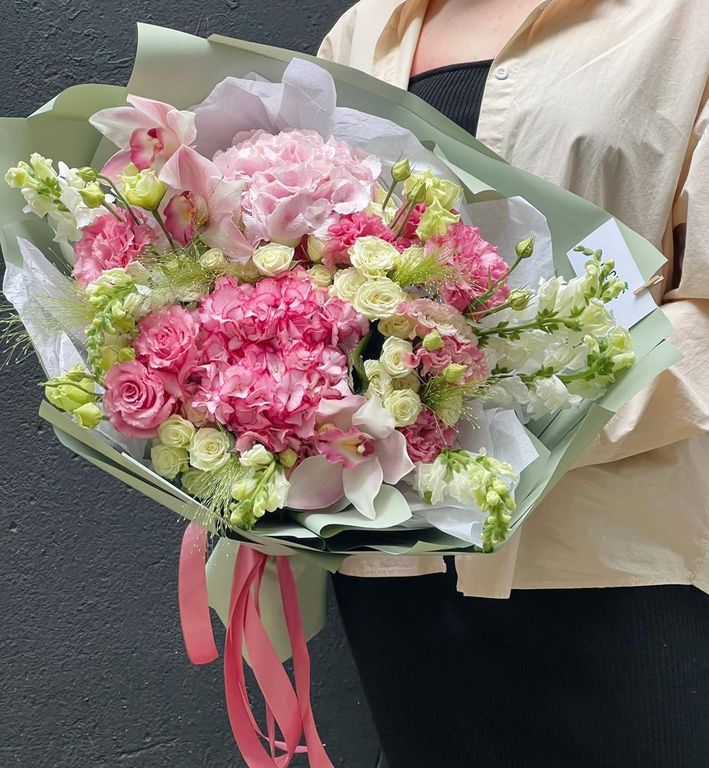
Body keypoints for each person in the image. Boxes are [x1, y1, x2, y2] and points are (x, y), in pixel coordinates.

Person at [317, 2, 709, 766]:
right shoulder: (364, 28)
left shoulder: (684, 21)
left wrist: (498, 419)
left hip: (612, 559)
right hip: (395, 565)